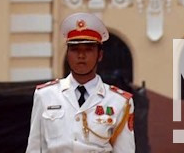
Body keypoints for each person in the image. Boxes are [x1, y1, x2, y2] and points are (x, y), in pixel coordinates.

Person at [25, 11, 135, 153]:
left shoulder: (118, 102)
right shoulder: (45, 95)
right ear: (68, 53)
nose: (81, 55)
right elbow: (34, 148)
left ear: (99, 55)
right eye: (75, 49)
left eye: (88, 49)